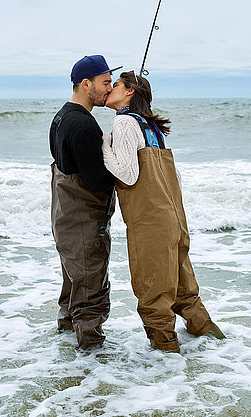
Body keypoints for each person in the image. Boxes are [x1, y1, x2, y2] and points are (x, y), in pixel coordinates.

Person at [102, 71, 225, 353]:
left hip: (150, 220)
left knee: (153, 288)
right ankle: (211, 337)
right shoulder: (151, 126)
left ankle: (165, 358)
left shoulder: (123, 121)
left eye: (116, 85)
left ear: (130, 92)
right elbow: (176, 178)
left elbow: (127, 174)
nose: (109, 90)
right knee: (183, 286)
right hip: (174, 215)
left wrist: (103, 145)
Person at [49, 55, 121, 350]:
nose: (109, 88)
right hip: (83, 221)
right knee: (91, 288)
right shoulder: (84, 126)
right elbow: (96, 182)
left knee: (73, 282)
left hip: (65, 218)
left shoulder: (61, 116)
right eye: (105, 83)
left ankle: (66, 349)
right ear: (85, 84)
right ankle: (92, 360)